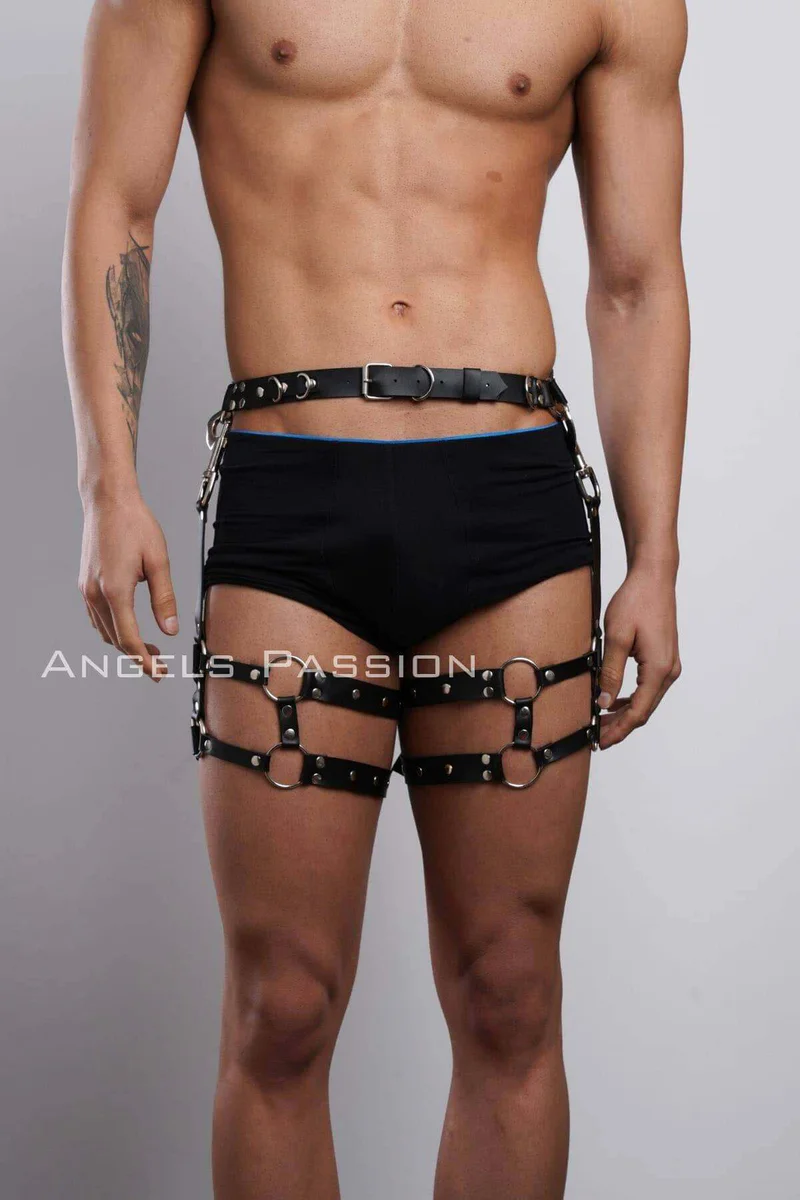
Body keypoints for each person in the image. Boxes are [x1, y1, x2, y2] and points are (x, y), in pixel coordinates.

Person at [63, 0, 688, 1196]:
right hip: (290, 499)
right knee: (282, 1004)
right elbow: (115, 201)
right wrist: (108, 481)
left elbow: (634, 280)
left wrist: (654, 556)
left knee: (510, 991)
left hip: (510, 502)